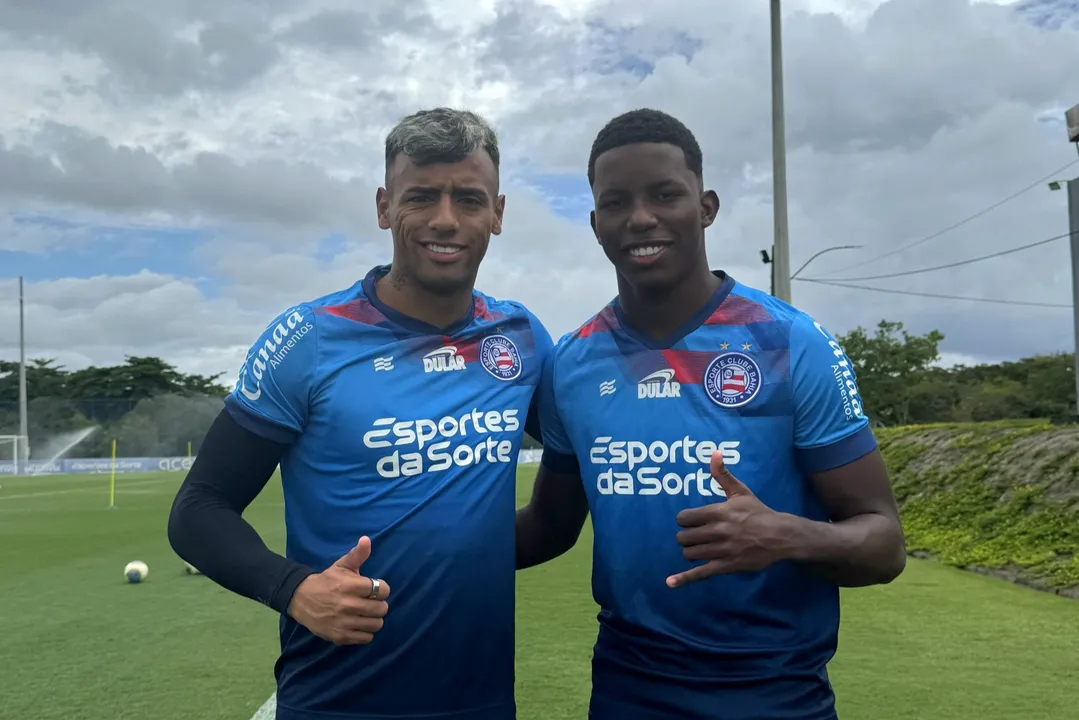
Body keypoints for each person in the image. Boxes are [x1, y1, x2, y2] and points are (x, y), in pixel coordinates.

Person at [515, 108, 907, 720]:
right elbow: (550, 526)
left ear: (707, 206)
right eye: (616, 202)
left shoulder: (790, 342)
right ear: (595, 223)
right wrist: (415, 544)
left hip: (778, 695)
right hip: (626, 691)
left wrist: (787, 535)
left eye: (666, 195)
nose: (641, 218)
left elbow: (883, 543)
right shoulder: (572, 363)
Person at [169, 107, 552, 720]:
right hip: (334, 703)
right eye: (421, 196)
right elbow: (198, 510)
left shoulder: (521, 338)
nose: (445, 219)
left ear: (497, 214)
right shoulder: (310, 338)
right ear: (383, 206)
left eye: (469, 199)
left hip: (481, 705)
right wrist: (295, 589)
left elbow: (585, 452)